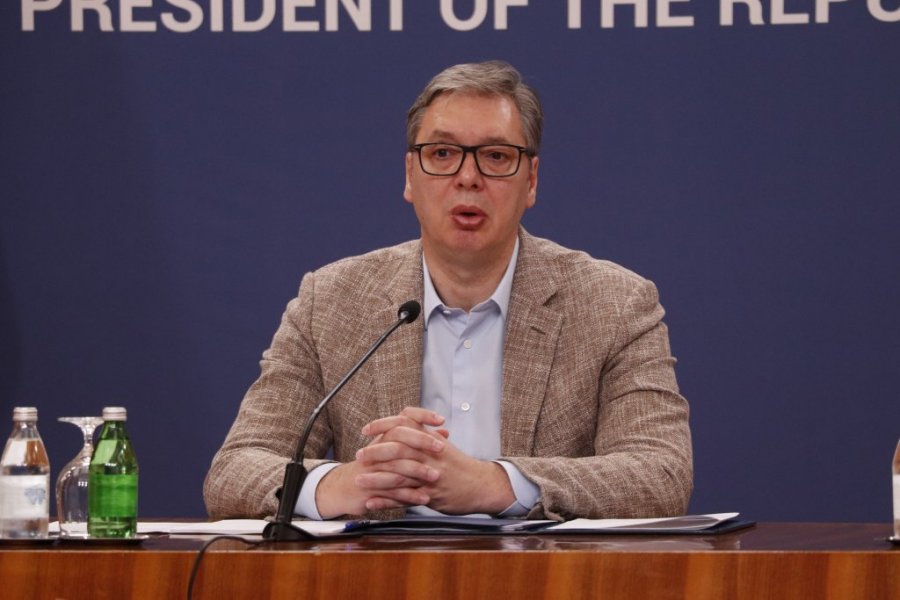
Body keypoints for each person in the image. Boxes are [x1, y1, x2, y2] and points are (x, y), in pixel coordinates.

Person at [203, 60, 692, 522]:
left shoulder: (615, 304)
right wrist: (341, 484)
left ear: (531, 181)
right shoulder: (331, 302)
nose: (468, 178)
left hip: (543, 571)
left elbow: (661, 473)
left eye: (496, 156)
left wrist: (495, 484)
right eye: (442, 154)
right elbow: (235, 470)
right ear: (409, 175)